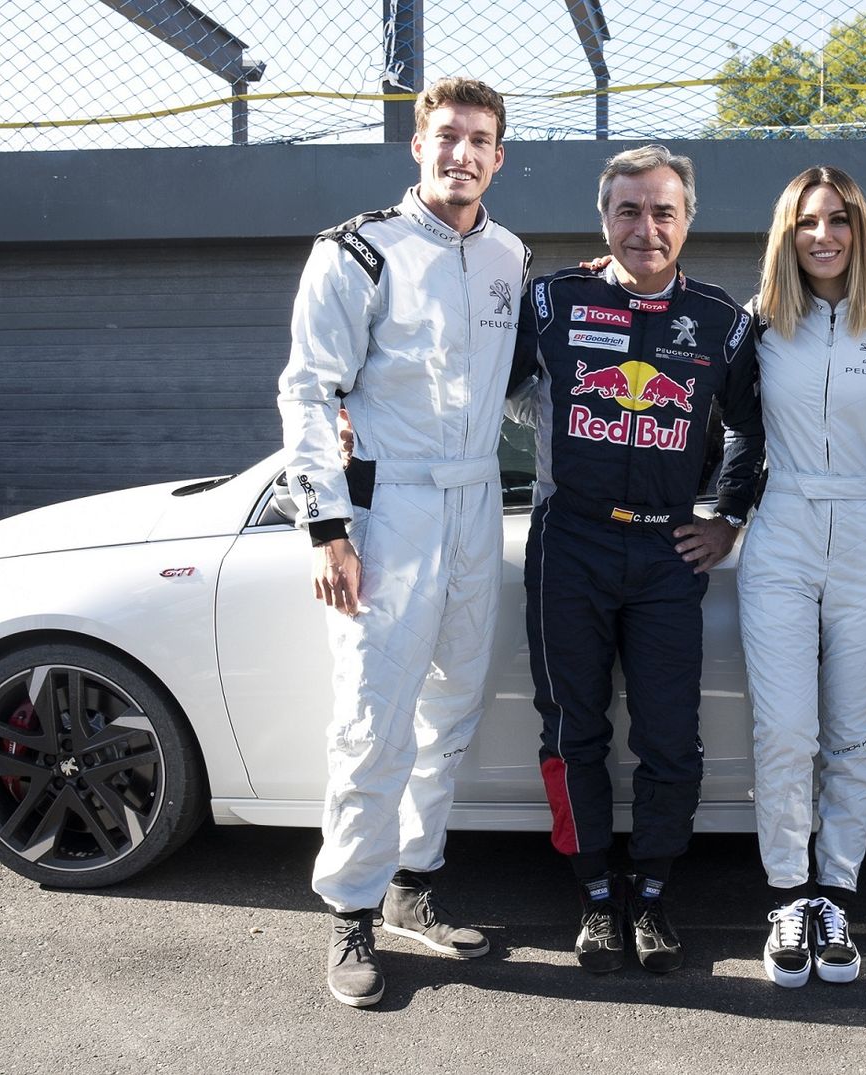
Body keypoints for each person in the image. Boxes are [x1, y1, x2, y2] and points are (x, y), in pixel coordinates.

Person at [276, 77, 529, 1008]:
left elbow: (525, 390)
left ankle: (411, 889)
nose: (463, 153)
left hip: (476, 511)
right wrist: (327, 527)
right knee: (371, 718)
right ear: (417, 145)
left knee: (451, 710)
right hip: (389, 513)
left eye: (481, 140)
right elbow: (308, 392)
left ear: (500, 157)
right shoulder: (357, 252)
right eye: (447, 136)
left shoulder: (510, 257)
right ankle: (348, 909)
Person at [508, 144, 765, 975]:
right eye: (628, 209)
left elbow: (753, 429)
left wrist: (727, 516)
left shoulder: (725, 320)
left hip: (665, 548)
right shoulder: (551, 298)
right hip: (569, 540)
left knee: (669, 738)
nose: (645, 227)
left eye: (662, 211)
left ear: (688, 220)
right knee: (570, 729)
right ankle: (591, 894)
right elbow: (472, 388)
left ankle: (651, 892)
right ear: (603, 218)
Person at [736, 167, 866, 987]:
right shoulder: (756, 325)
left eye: (838, 220)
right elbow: (724, 430)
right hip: (779, 531)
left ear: (861, 228)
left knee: (851, 737)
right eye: (808, 221)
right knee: (785, 733)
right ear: (786, 233)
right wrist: (722, 516)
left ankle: (835, 896)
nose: (823, 235)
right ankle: (786, 894)